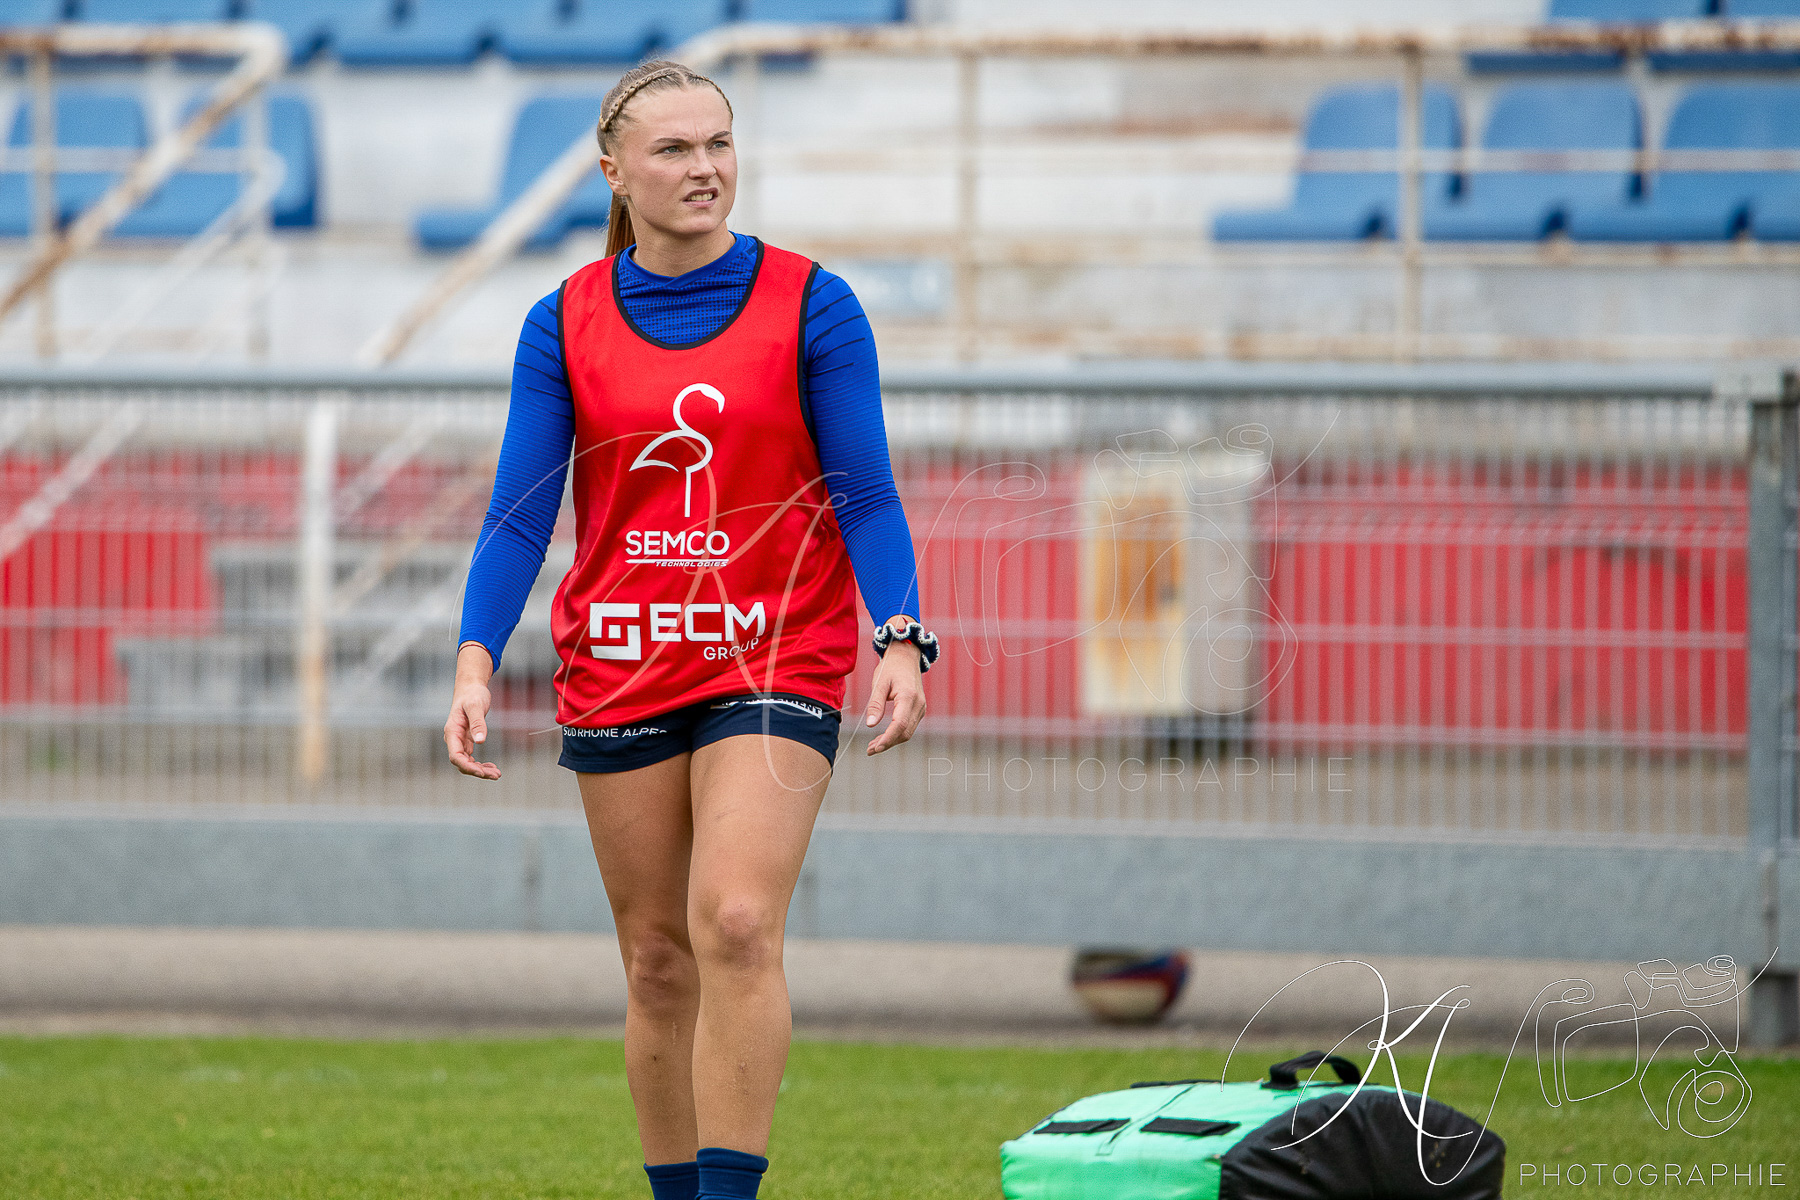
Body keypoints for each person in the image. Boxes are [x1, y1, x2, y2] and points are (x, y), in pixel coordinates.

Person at [443, 60, 936, 1200]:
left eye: (719, 143)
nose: (705, 168)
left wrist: (900, 634)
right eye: (673, 150)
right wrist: (475, 656)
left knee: (738, 920)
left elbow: (865, 492)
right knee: (659, 962)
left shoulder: (816, 303)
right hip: (620, 660)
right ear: (612, 169)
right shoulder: (558, 320)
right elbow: (522, 513)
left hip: (780, 655)